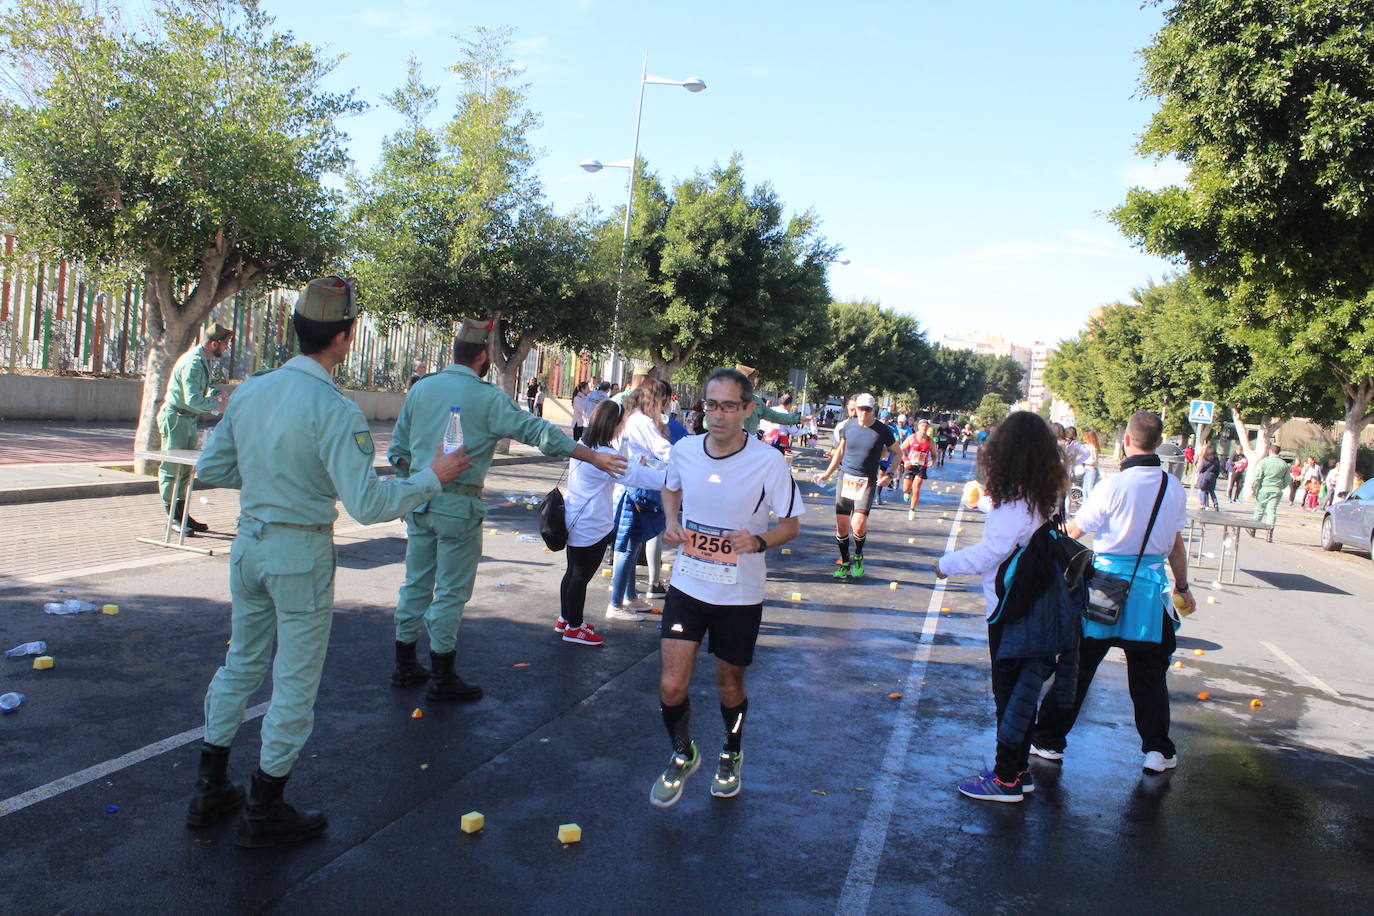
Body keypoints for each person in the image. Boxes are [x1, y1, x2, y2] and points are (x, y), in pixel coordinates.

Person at [188, 276, 472, 847]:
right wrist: (432, 480)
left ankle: (210, 785)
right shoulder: (334, 410)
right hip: (299, 550)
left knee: (241, 662)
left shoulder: (250, 392)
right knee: (294, 679)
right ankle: (266, 805)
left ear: (298, 331)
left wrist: (273, 474)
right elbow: (367, 505)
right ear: (345, 337)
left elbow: (212, 469)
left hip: (249, 543)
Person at [387, 320, 627, 701]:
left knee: (415, 582)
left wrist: (413, 484)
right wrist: (591, 455)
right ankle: (442, 673)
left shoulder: (422, 389)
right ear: (483, 356)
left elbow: (397, 452)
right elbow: (539, 433)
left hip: (419, 499)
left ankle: (404, 663)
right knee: (450, 590)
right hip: (458, 506)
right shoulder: (487, 397)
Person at [651, 367, 804, 807]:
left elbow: (790, 526)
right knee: (670, 686)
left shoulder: (768, 461)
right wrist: (673, 523)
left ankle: (731, 751)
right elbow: (670, 490)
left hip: (739, 594)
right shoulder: (684, 450)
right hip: (688, 584)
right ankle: (683, 754)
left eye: (728, 406)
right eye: (711, 404)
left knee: (729, 685)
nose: (717, 415)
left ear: (748, 410)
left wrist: (756, 540)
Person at [1030, 411, 1195, 774]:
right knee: (1148, 675)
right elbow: (1176, 547)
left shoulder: (1113, 486)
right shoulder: (1174, 487)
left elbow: (1075, 531)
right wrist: (1184, 587)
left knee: (1078, 667)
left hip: (1104, 588)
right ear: (1158, 442)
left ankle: (1049, 740)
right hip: (1150, 594)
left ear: (1126, 442)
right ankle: (1157, 750)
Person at [933, 411, 1068, 802]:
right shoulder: (1041, 494)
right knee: (1022, 692)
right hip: (1038, 602)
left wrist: (944, 565)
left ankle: (1006, 778)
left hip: (1014, 609)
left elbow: (992, 550)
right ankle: (1018, 770)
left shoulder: (1016, 504)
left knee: (1011, 696)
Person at [556, 399, 667, 646]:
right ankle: (573, 628)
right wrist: (673, 477)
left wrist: (638, 463)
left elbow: (626, 465)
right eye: (621, 424)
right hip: (592, 525)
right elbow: (636, 476)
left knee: (573, 572)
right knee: (580, 577)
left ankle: (567, 619)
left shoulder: (585, 446)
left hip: (576, 519)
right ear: (613, 425)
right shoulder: (602, 455)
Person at [813, 393, 903, 579]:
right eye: (860, 408)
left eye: (867, 409)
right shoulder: (849, 426)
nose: (863, 412)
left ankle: (859, 555)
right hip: (845, 477)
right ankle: (845, 561)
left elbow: (898, 453)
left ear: (873, 410)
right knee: (842, 526)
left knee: (859, 524)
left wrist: (889, 475)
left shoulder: (883, 430)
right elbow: (840, 451)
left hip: (866, 480)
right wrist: (827, 473)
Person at [157, 322, 233, 534]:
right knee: (172, 469)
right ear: (214, 344)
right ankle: (171, 517)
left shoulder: (204, 360)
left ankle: (181, 515)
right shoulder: (194, 363)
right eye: (225, 345)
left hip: (187, 419)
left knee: (185, 469)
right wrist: (218, 406)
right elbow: (191, 399)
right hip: (177, 418)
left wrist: (215, 392)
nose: (227, 348)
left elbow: (202, 387)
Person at [607, 378, 674, 621]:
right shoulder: (642, 421)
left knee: (633, 547)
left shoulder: (631, 417)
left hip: (633, 488)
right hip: (635, 491)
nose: (666, 405)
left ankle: (629, 596)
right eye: (665, 400)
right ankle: (615, 604)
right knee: (628, 548)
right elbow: (664, 451)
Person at [901, 419, 935, 519]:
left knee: (916, 488)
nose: (924, 428)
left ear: (928, 428)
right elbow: (901, 449)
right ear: (918, 427)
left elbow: (934, 455)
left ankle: (912, 510)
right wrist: (905, 459)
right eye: (922, 426)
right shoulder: (912, 438)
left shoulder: (930, 441)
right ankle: (907, 492)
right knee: (906, 488)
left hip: (921, 467)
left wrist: (932, 460)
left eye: (926, 426)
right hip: (910, 465)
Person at [1250, 444, 1290, 529]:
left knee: (1259, 510)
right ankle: (1269, 532)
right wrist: (1280, 486)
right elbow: (1287, 480)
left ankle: (1253, 529)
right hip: (1276, 490)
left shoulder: (1264, 462)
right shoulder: (1284, 464)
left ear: (1270, 451)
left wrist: (1253, 489)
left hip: (1263, 489)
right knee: (1271, 511)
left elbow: (1257, 477)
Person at [1195, 443, 1221, 509]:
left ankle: (1202, 504)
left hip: (1204, 476)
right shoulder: (1216, 461)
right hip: (1212, 477)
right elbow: (1218, 471)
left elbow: (1200, 469)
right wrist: (1215, 476)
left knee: (1202, 490)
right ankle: (1216, 504)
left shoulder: (1205, 460)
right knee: (1212, 492)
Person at [1077, 430, 1101, 498]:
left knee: (1089, 491)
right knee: (1084, 491)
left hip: (1092, 470)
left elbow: (1094, 461)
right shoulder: (1085, 446)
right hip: (1086, 470)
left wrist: (1084, 462)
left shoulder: (1093, 448)